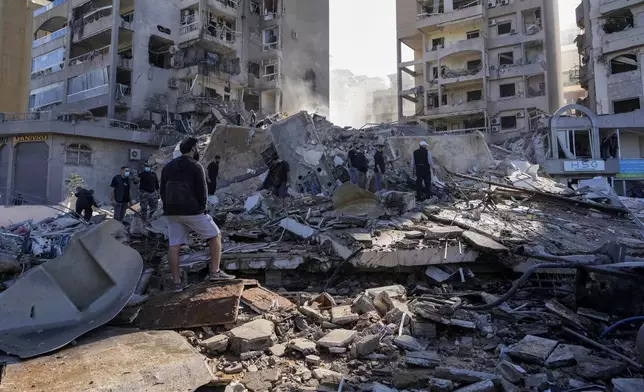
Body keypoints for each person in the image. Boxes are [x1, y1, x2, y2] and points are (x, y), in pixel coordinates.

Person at [161, 137, 235, 292]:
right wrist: (202, 208)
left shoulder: (167, 167)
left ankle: (176, 283)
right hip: (191, 210)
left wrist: (168, 208)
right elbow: (203, 191)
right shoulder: (196, 166)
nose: (199, 151)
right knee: (215, 235)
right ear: (193, 148)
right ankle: (215, 272)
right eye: (198, 148)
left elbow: (162, 190)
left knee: (174, 245)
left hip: (171, 211)